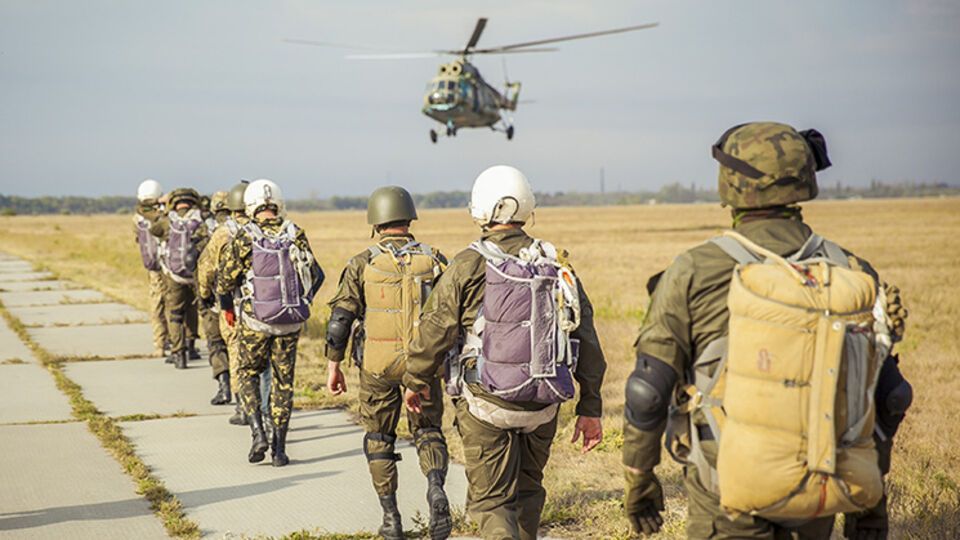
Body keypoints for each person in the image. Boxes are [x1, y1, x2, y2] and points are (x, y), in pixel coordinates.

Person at [620, 122, 913, 539]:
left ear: (732, 185)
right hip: (822, 486)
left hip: (725, 494)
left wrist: (639, 481)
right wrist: (869, 504)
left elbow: (647, 393)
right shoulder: (849, 269)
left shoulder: (695, 269)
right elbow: (886, 397)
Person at [404, 165, 607, 540]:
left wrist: (415, 381)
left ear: (479, 209)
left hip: (486, 405)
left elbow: (434, 330)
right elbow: (586, 337)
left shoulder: (468, 263)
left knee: (492, 503)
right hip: (544, 403)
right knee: (529, 492)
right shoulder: (555, 262)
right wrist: (590, 407)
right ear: (527, 207)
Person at [324, 186, 451, 540]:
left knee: (379, 437)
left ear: (375, 221)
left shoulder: (362, 262)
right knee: (428, 430)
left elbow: (340, 320)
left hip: (377, 368)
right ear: (409, 218)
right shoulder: (436, 259)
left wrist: (334, 364)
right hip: (422, 368)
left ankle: (391, 518)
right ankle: (436, 487)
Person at [217, 179, 323, 466]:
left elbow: (224, 279)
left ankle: (257, 433)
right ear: (278, 204)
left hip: (255, 322)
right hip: (289, 324)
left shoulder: (245, 236)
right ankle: (279, 449)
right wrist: (304, 301)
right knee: (283, 383)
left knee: (249, 373)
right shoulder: (295, 233)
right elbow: (317, 274)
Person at [151, 187, 207, 368]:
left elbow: (154, 229)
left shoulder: (168, 221)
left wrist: (163, 210)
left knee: (175, 313)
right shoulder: (201, 219)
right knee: (192, 309)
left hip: (173, 274)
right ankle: (191, 345)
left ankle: (179, 353)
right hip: (195, 274)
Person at [196, 191, 231, 405]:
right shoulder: (248, 227)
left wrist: (204, 295)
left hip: (214, 298)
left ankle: (224, 386)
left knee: (216, 343)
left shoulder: (207, 229)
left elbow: (203, 266)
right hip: (243, 302)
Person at [133, 179, 169, 356]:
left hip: (153, 268)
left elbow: (138, 239)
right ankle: (179, 342)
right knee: (173, 305)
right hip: (169, 265)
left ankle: (160, 344)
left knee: (157, 307)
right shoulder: (165, 214)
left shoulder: (137, 218)